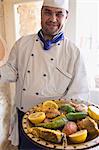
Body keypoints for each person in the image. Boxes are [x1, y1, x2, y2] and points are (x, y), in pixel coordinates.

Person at [0, 0, 89, 149]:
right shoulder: (22, 44)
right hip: (25, 121)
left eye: (59, 14)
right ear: (40, 13)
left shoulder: (74, 52)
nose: (53, 19)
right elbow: (11, 70)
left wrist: (66, 124)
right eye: (48, 12)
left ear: (66, 16)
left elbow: (78, 95)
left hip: (56, 126)